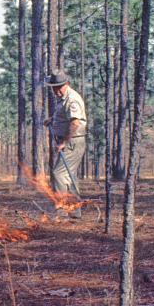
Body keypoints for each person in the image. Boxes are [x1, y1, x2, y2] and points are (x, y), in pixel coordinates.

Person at [45, 69, 86, 212]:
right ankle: (74, 211)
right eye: (54, 88)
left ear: (67, 83)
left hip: (73, 142)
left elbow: (75, 123)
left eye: (59, 87)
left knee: (59, 174)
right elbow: (66, 116)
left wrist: (65, 143)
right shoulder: (63, 98)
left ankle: (62, 210)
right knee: (69, 176)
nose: (56, 91)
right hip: (70, 141)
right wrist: (53, 120)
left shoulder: (72, 98)